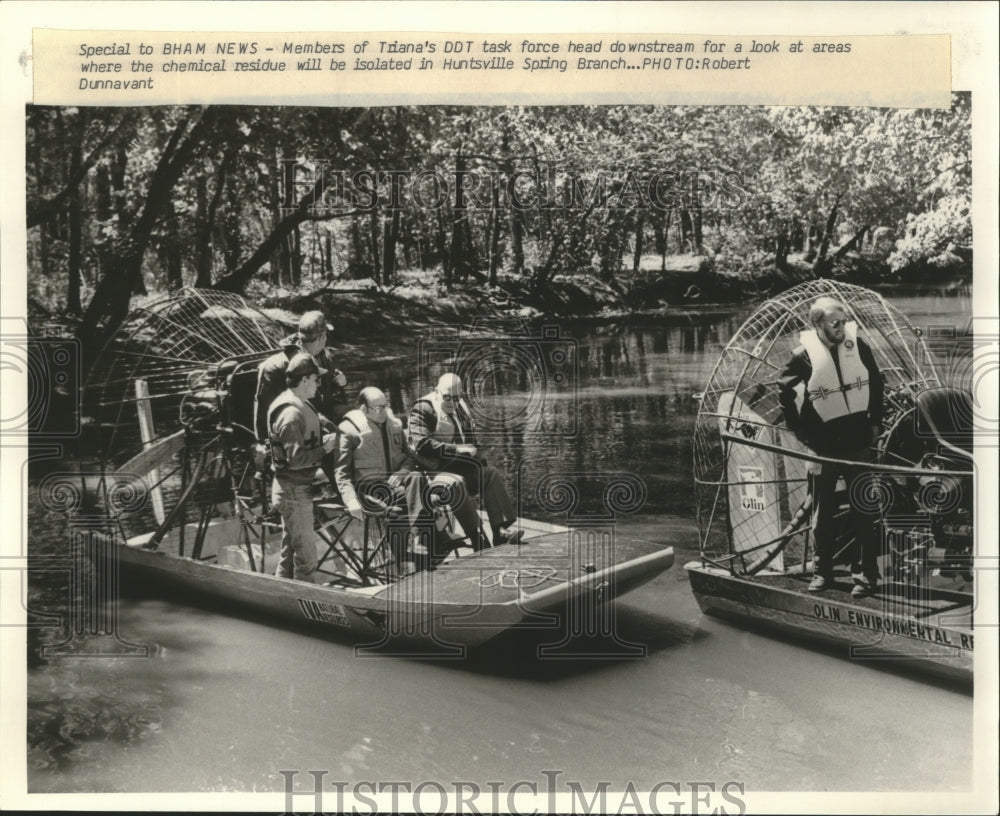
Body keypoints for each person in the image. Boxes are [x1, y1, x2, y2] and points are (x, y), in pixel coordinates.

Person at [778, 296, 884, 597]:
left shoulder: (858, 347)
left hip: (858, 439)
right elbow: (783, 390)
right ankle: (822, 572)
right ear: (818, 325)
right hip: (823, 444)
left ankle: (866, 576)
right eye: (834, 323)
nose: (841, 328)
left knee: (864, 509)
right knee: (822, 514)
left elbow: (876, 383)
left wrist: (875, 421)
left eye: (843, 321)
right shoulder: (802, 356)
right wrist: (797, 429)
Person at [334, 387, 486, 570]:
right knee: (424, 495)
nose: (383, 412)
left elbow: (409, 456)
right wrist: (351, 500)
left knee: (416, 476)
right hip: (370, 489)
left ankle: (421, 539)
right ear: (364, 409)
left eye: (385, 406)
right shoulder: (348, 431)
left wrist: (403, 471)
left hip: (397, 485)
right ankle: (436, 537)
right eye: (378, 408)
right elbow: (341, 473)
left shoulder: (394, 425)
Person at [408, 373, 524, 547]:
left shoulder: (460, 408)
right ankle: (476, 537)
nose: (452, 402)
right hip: (432, 472)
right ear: (437, 391)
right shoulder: (423, 409)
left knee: (490, 475)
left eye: (456, 398)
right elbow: (422, 443)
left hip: (457, 466)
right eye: (447, 397)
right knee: (457, 482)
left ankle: (499, 530)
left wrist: (478, 457)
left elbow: (470, 441)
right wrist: (456, 449)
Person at [267, 352, 339, 582]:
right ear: (306, 379)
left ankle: (281, 599)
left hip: (295, 489)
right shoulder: (290, 414)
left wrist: (332, 426)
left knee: (289, 553)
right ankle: (304, 607)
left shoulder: (297, 402)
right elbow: (295, 459)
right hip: (293, 492)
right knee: (307, 558)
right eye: (317, 380)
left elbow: (314, 418)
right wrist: (324, 449)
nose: (319, 385)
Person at [255, 309, 350, 448]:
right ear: (322, 336)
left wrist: (340, 380)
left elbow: (327, 388)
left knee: (356, 419)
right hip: (297, 429)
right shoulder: (275, 366)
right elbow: (265, 409)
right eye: (326, 334)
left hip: (324, 420)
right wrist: (262, 444)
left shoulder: (325, 356)